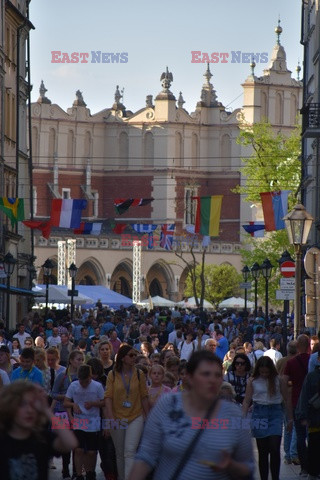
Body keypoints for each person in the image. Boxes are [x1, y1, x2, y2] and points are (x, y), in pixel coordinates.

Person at [128, 350, 253, 480]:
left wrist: (231, 465)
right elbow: (146, 456)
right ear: (190, 377)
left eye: (217, 375)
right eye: (205, 374)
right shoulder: (167, 405)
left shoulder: (234, 414)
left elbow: (248, 467)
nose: (212, 380)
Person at [0, 381, 78, 480]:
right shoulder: (3, 440)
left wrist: (46, 411)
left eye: (33, 405)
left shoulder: (42, 438)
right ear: (10, 407)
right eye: (22, 404)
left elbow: (70, 443)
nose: (29, 410)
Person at [104, 344, 149, 480]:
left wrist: (148, 416)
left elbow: (144, 396)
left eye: (135, 355)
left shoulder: (139, 374)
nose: (134, 357)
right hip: (117, 417)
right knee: (120, 453)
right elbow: (108, 397)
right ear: (123, 358)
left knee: (129, 451)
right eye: (131, 355)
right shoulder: (112, 374)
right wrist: (111, 418)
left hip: (136, 416)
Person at [242, 356, 291, 480]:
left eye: (267, 372)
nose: (264, 374)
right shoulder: (252, 381)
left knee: (275, 448)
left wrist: (289, 419)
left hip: (275, 412)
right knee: (262, 451)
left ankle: (275, 477)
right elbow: (247, 400)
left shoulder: (278, 380)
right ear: (258, 369)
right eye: (262, 372)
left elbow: (286, 399)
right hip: (259, 412)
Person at [64, 364, 105, 480]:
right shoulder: (74, 386)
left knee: (91, 451)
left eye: (86, 381)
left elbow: (104, 403)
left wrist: (93, 404)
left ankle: (90, 472)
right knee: (78, 449)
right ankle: (79, 474)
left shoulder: (97, 386)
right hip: (79, 420)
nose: (83, 384)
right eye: (81, 381)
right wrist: (73, 405)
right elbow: (66, 402)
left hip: (93, 421)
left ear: (90, 377)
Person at [283, 334, 310, 476]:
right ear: (309, 345)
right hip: (313, 404)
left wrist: (286, 396)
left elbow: (284, 381)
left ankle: (304, 468)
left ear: (297, 346)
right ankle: (314, 465)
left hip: (296, 403)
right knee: (313, 434)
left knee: (299, 434)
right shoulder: (314, 361)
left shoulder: (291, 363)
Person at [296, 350, 320, 480]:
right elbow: (304, 396)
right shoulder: (311, 377)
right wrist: (303, 415)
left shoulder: (311, 376)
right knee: (314, 448)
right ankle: (313, 472)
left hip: (314, 419)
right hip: (315, 420)